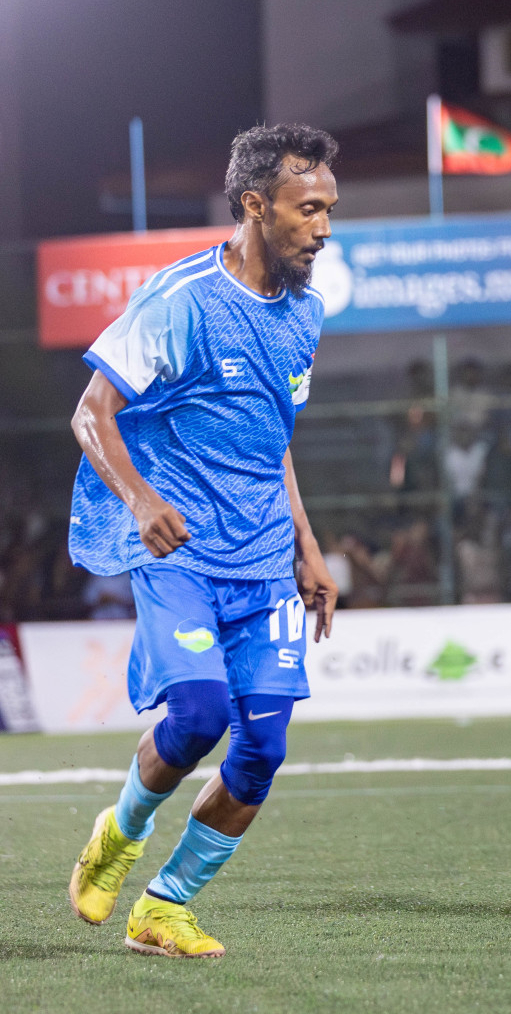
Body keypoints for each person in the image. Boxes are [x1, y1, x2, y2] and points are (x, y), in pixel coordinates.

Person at [65, 124, 340, 959]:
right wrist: (141, 500)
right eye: (308, 209)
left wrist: (308, 544)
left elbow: (272, 434)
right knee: (198, 715)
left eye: (330, 208)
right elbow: (90, 413)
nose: (324, 226)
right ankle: (120, 831)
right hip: (182, 552)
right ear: (256, 205)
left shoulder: (307, 313)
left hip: (263, 562)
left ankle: (165, 907)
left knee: (264, 747)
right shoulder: (181, 301)